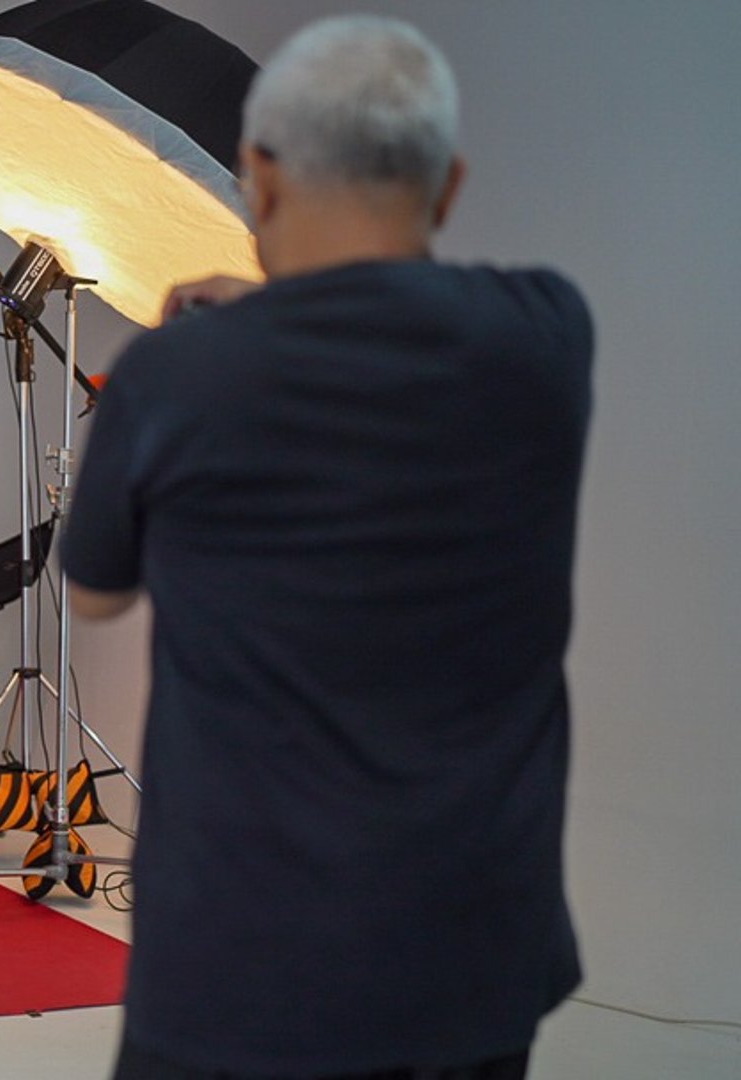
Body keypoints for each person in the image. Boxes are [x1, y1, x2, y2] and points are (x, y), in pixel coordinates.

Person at [62, 16, 589, 1080]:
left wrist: (232, 332)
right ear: (446, 186)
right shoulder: (544, 337)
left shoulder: (175, 377)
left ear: (258, 175)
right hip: (471, 964)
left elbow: (95, 596)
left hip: (240, 971)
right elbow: (387, 326)